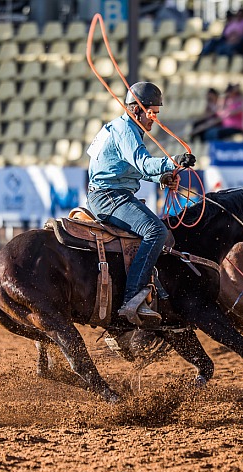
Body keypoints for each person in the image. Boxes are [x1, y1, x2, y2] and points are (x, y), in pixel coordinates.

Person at [86, 81, 196, 325]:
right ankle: (132, 298)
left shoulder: (119, 127)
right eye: (151, 113)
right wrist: (172, 162)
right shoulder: (126, 130)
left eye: (156, 113)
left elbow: (132, 169)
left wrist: (162, 177)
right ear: (136, 109)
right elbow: (143, 163)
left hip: (108, 193)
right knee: (156, 230)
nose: (154, 119)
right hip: (109, 197)